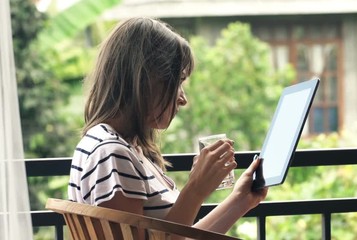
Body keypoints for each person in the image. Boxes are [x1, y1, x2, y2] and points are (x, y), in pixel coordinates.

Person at [68, 17, 268, 239]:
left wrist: (240, 200)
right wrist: (195, 189)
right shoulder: (112, 154)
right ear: (145, 80)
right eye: (178, 82)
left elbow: (177, 237)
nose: (183, 99)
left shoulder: (117, 147)